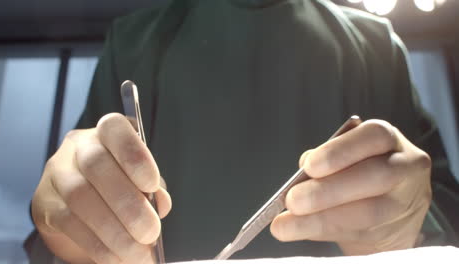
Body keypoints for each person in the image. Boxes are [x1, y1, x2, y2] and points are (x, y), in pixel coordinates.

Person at [28, 0, 459, 263]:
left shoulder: (374, 46)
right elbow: (85, 205)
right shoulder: (135, 41)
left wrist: (411, 227)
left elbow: (446, 219)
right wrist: (67, 226)